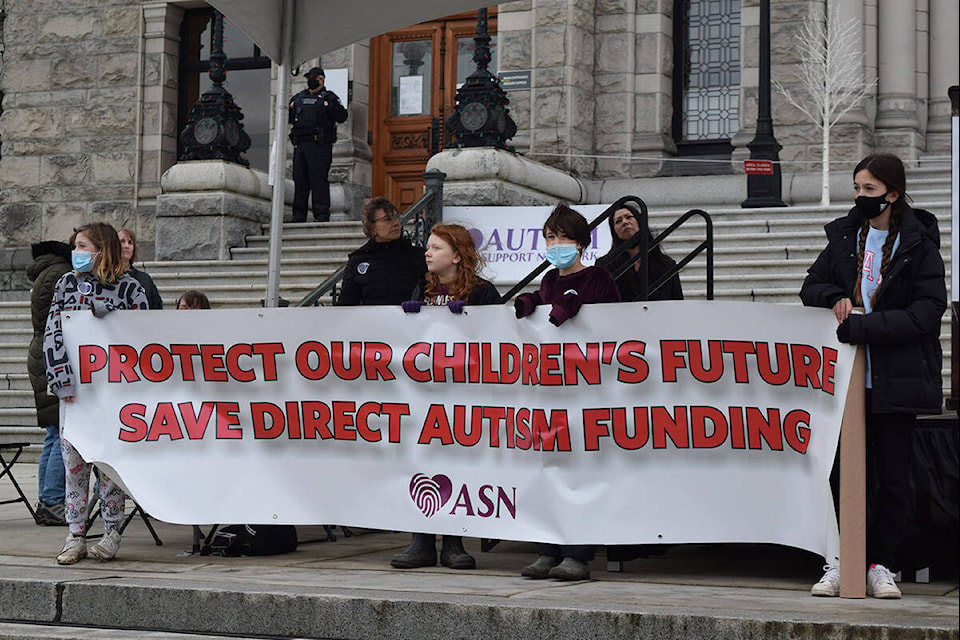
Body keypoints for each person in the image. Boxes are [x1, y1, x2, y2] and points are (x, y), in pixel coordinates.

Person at [800, 154, 946, 599]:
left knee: (893, 479)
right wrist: (836, 296)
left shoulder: (919, 244)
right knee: (840, 474)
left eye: (868, 189)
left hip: (896, 379)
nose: (860, 196)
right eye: (857, 187)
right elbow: (811, 287)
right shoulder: (846, 236)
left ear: (892, 194)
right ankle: (840, 560)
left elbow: (926, 314)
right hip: (846, 384)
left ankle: (881, 564)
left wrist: (864, 326)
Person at [514, 203, 621, 581]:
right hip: (551, 393)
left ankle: (578, 553)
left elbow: (613, 330)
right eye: (549, 237)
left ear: (581, 243)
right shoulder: (547, 282)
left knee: (582, 473)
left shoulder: (600, 279)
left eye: (562, 237)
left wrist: (578, 308)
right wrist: (531, 305)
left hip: (587, 395)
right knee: (550, 471)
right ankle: (548, 549)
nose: (555, 244)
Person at [392, 223, 501, 570]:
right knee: (422, 464)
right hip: (425, 394)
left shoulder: (482, 293)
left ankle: (454, 542)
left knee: (457, 465)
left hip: (465, 395)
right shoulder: (421, 290)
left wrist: (471, 324)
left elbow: (501, 340)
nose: (428, 252)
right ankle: (421, 540)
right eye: (428, 247)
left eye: (436, 248)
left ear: (457, 255)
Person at [44, 222, 150, 564]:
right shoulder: (66, 284)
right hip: (75, 394)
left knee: (109, 466)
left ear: (101, 250)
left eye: (83, 246)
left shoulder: (132, 289)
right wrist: (60, 378)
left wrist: (112, 318)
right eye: (76, 246)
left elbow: (145, 340)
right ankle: (75, 534)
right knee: (74, 465)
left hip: (113, 396)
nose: (76, 252)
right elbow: (53, 333)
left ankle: (111, 532)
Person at [26, 240, 73, 526]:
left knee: (53, 433)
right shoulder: (61, 273)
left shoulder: (45, 272)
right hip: (52, 352)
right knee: (59, 431)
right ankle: (54, 500)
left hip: (41, 352)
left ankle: (48, 499)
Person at [337, 197, 426, 306]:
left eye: (396, 217)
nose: (396, 223)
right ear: (372, 227)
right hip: (374, 321)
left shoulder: (416, 255)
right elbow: (346, 303)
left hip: (412, 320)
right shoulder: (358, 260)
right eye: (387, 219)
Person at [288, 66, 348, 222]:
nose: (310, 81)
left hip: (319, 145)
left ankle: (321, 215)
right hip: (300, 145)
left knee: (318, 180)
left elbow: (342, 116)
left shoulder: (329, 97)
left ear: (321, 80)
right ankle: (299, 216)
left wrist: (330, 107)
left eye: (313, 78)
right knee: (300, 181)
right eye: (309, 78)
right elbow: (289, 117)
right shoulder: (298, 98)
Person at [597, 204, 683, 301]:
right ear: (614, 231)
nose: (625, 222)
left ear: (639, 222)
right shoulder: (605, 266)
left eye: (629, 217)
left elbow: (677, 302)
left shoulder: (666, 265)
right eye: (618, 221)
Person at [118, 228, 163, 309]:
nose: (126, 246)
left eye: (130, 243)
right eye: (122, 241)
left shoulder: (144, 279)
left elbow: (156, 307)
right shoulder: (106, 277)